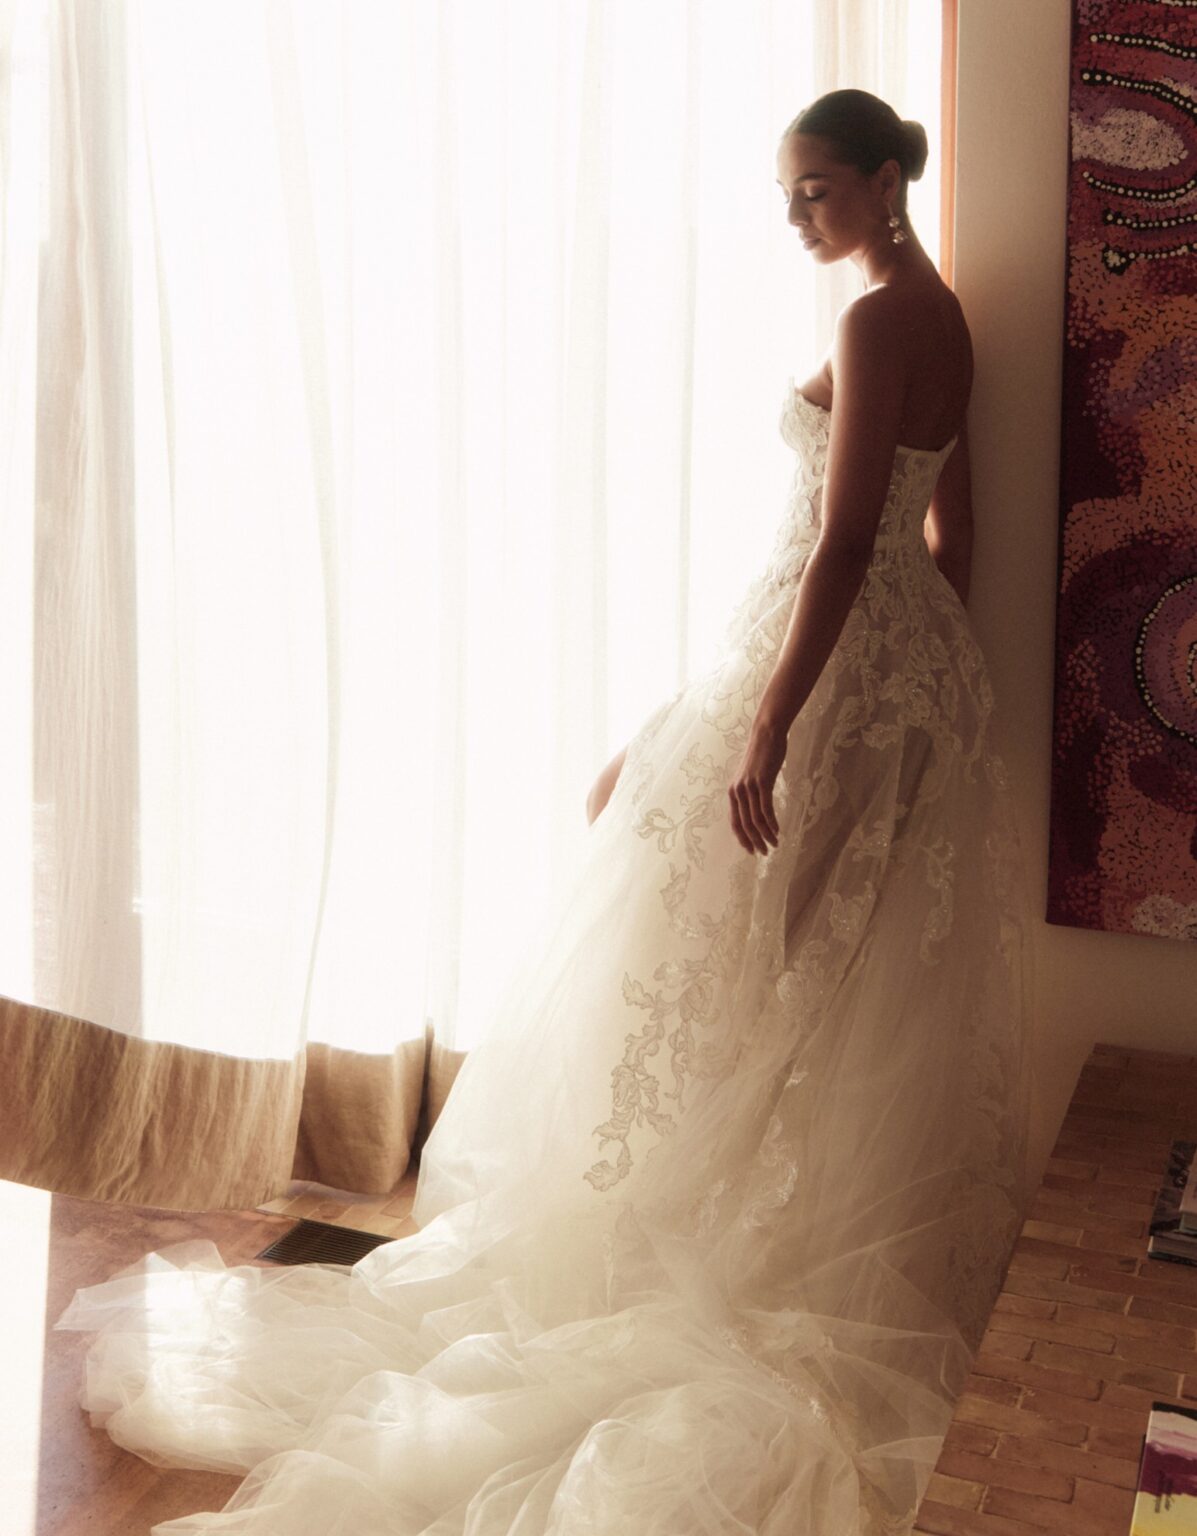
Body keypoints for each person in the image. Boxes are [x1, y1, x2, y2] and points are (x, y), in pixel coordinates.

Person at [57, 88, 1034, 1536]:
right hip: (889, 666)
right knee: (765, 937)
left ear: (886, 178)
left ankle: (696, 1241)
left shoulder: (881, 318)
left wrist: (774, 719)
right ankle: (714, 1215)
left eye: (815, 189)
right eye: (784, 193)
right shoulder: (947, 316)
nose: (794, 216)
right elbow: (954, 531)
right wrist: (927, 674)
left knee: (744, 947)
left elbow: (844, 538)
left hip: (823, 657)